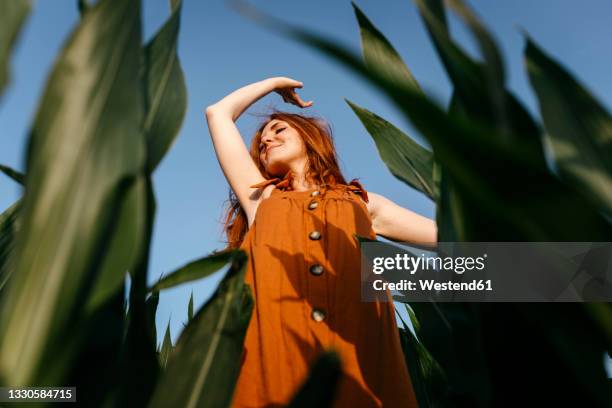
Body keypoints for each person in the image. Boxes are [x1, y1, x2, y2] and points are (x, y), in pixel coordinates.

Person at [205, 77, 437, 407]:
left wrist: (533, 274)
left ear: (310, 137)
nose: (266, 140)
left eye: (279, 130)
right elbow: (218, 113)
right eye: (261, 142)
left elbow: (452, 238)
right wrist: (273, 85)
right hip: (273, 363)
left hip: (359, 363)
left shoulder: (364, 203)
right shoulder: (261, 198)